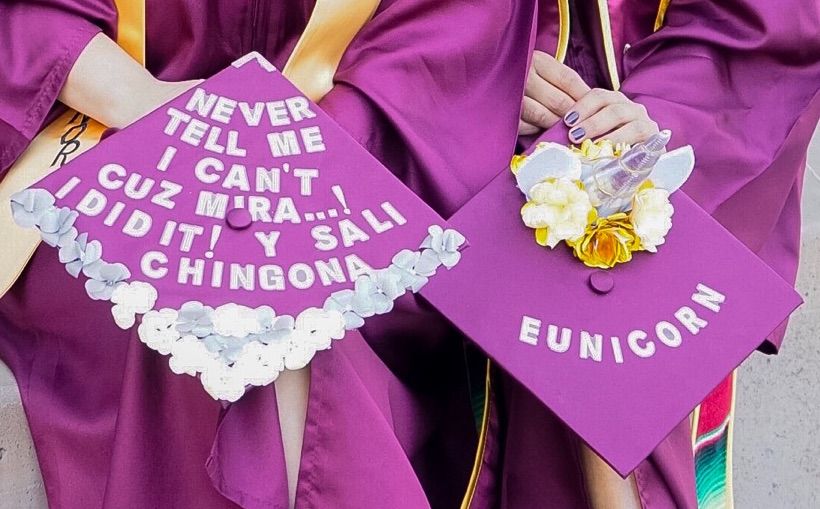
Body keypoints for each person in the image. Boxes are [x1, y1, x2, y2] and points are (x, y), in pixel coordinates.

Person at [0, 1, 538, 508]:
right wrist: (146, 104)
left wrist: (272, 164)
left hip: (343, 177)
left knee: (294, 327)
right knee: (183, 310)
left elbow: (437, 41)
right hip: (116, 149)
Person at [460, 0, 820, 508]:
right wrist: (466, 72)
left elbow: (773, 20)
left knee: (612, 356)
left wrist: (655, 125)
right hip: (458, 155)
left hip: (673, 110)